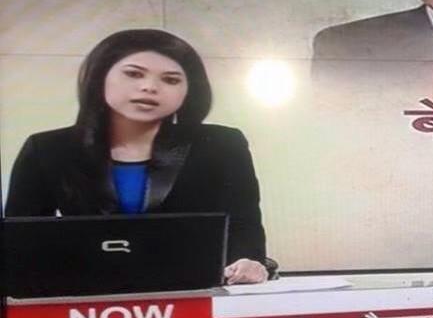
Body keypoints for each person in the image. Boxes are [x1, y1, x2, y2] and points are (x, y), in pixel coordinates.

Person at [4, 29, 268, 284]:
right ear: (100, 76)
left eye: (171, 79)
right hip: (84, 291)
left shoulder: (222, 144)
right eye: (133, 74)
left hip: (193, 288)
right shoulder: (47, 149)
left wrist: (248, 260)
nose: (149, 87)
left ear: (189, 90)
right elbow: (22, 239)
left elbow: (244, 221)